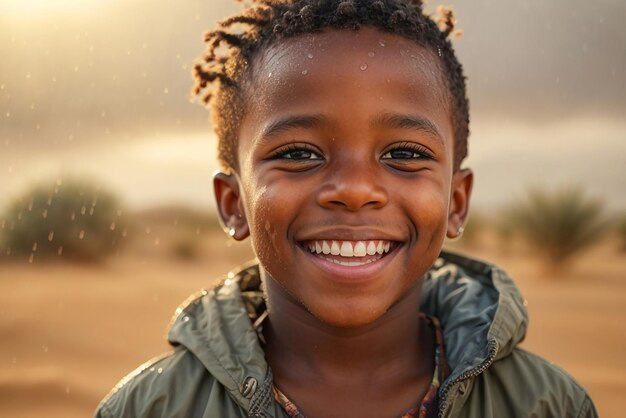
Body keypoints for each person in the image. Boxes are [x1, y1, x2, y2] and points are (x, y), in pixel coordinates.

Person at [95, 1, 598, 417]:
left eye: (404, 154)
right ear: (234, 205)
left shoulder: (547, 404)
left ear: (455, 202)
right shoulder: (149, 408)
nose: (355, 190)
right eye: (297, 154)